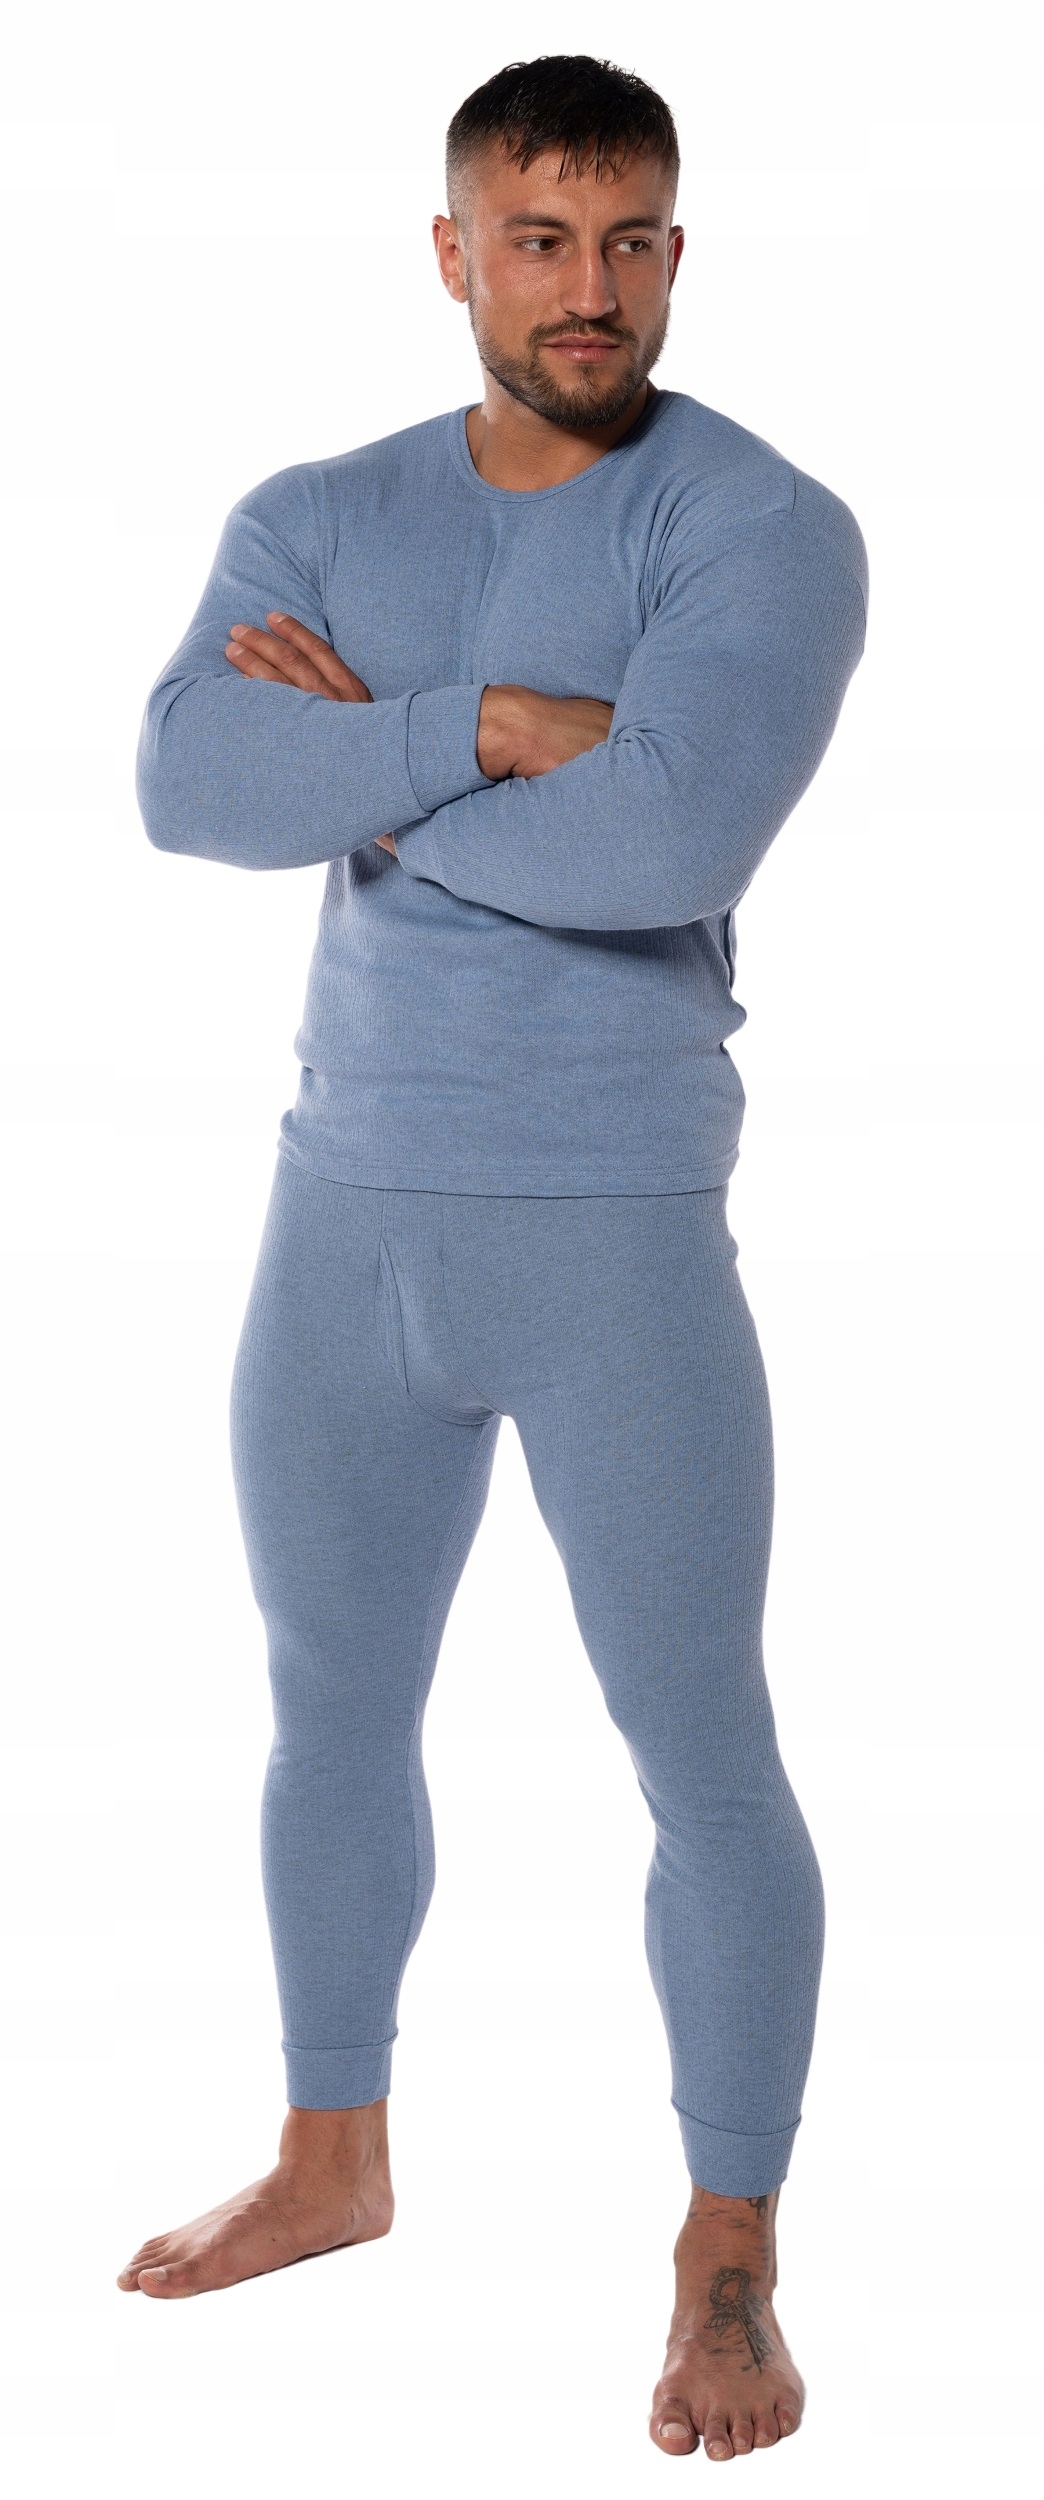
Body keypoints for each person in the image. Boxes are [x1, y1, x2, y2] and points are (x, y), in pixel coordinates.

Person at [119, 53, 867, 2464]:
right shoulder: (315, 510)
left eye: (631, 240)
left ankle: (729, 2249)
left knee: (699, 1742)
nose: (588, 289)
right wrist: (494, 727)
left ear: (678, 252)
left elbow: (667, 842)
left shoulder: (760, 524)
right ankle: (333, 2154)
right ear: (454, 252)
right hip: (341, 1207)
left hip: (613, 1221)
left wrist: (365, 771)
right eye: (539, 241)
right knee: (327, 1705)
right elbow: (184, 783)